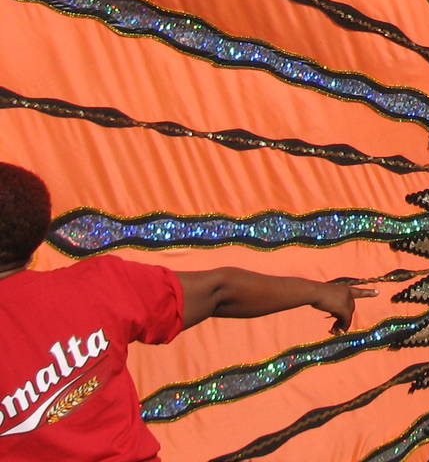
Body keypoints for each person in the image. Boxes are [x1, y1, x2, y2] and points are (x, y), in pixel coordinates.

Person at [0, 162, 373, 459]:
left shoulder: (98, 286)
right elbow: (219, 290)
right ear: (37, 238)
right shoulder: (98, 286)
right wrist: (318, 291)